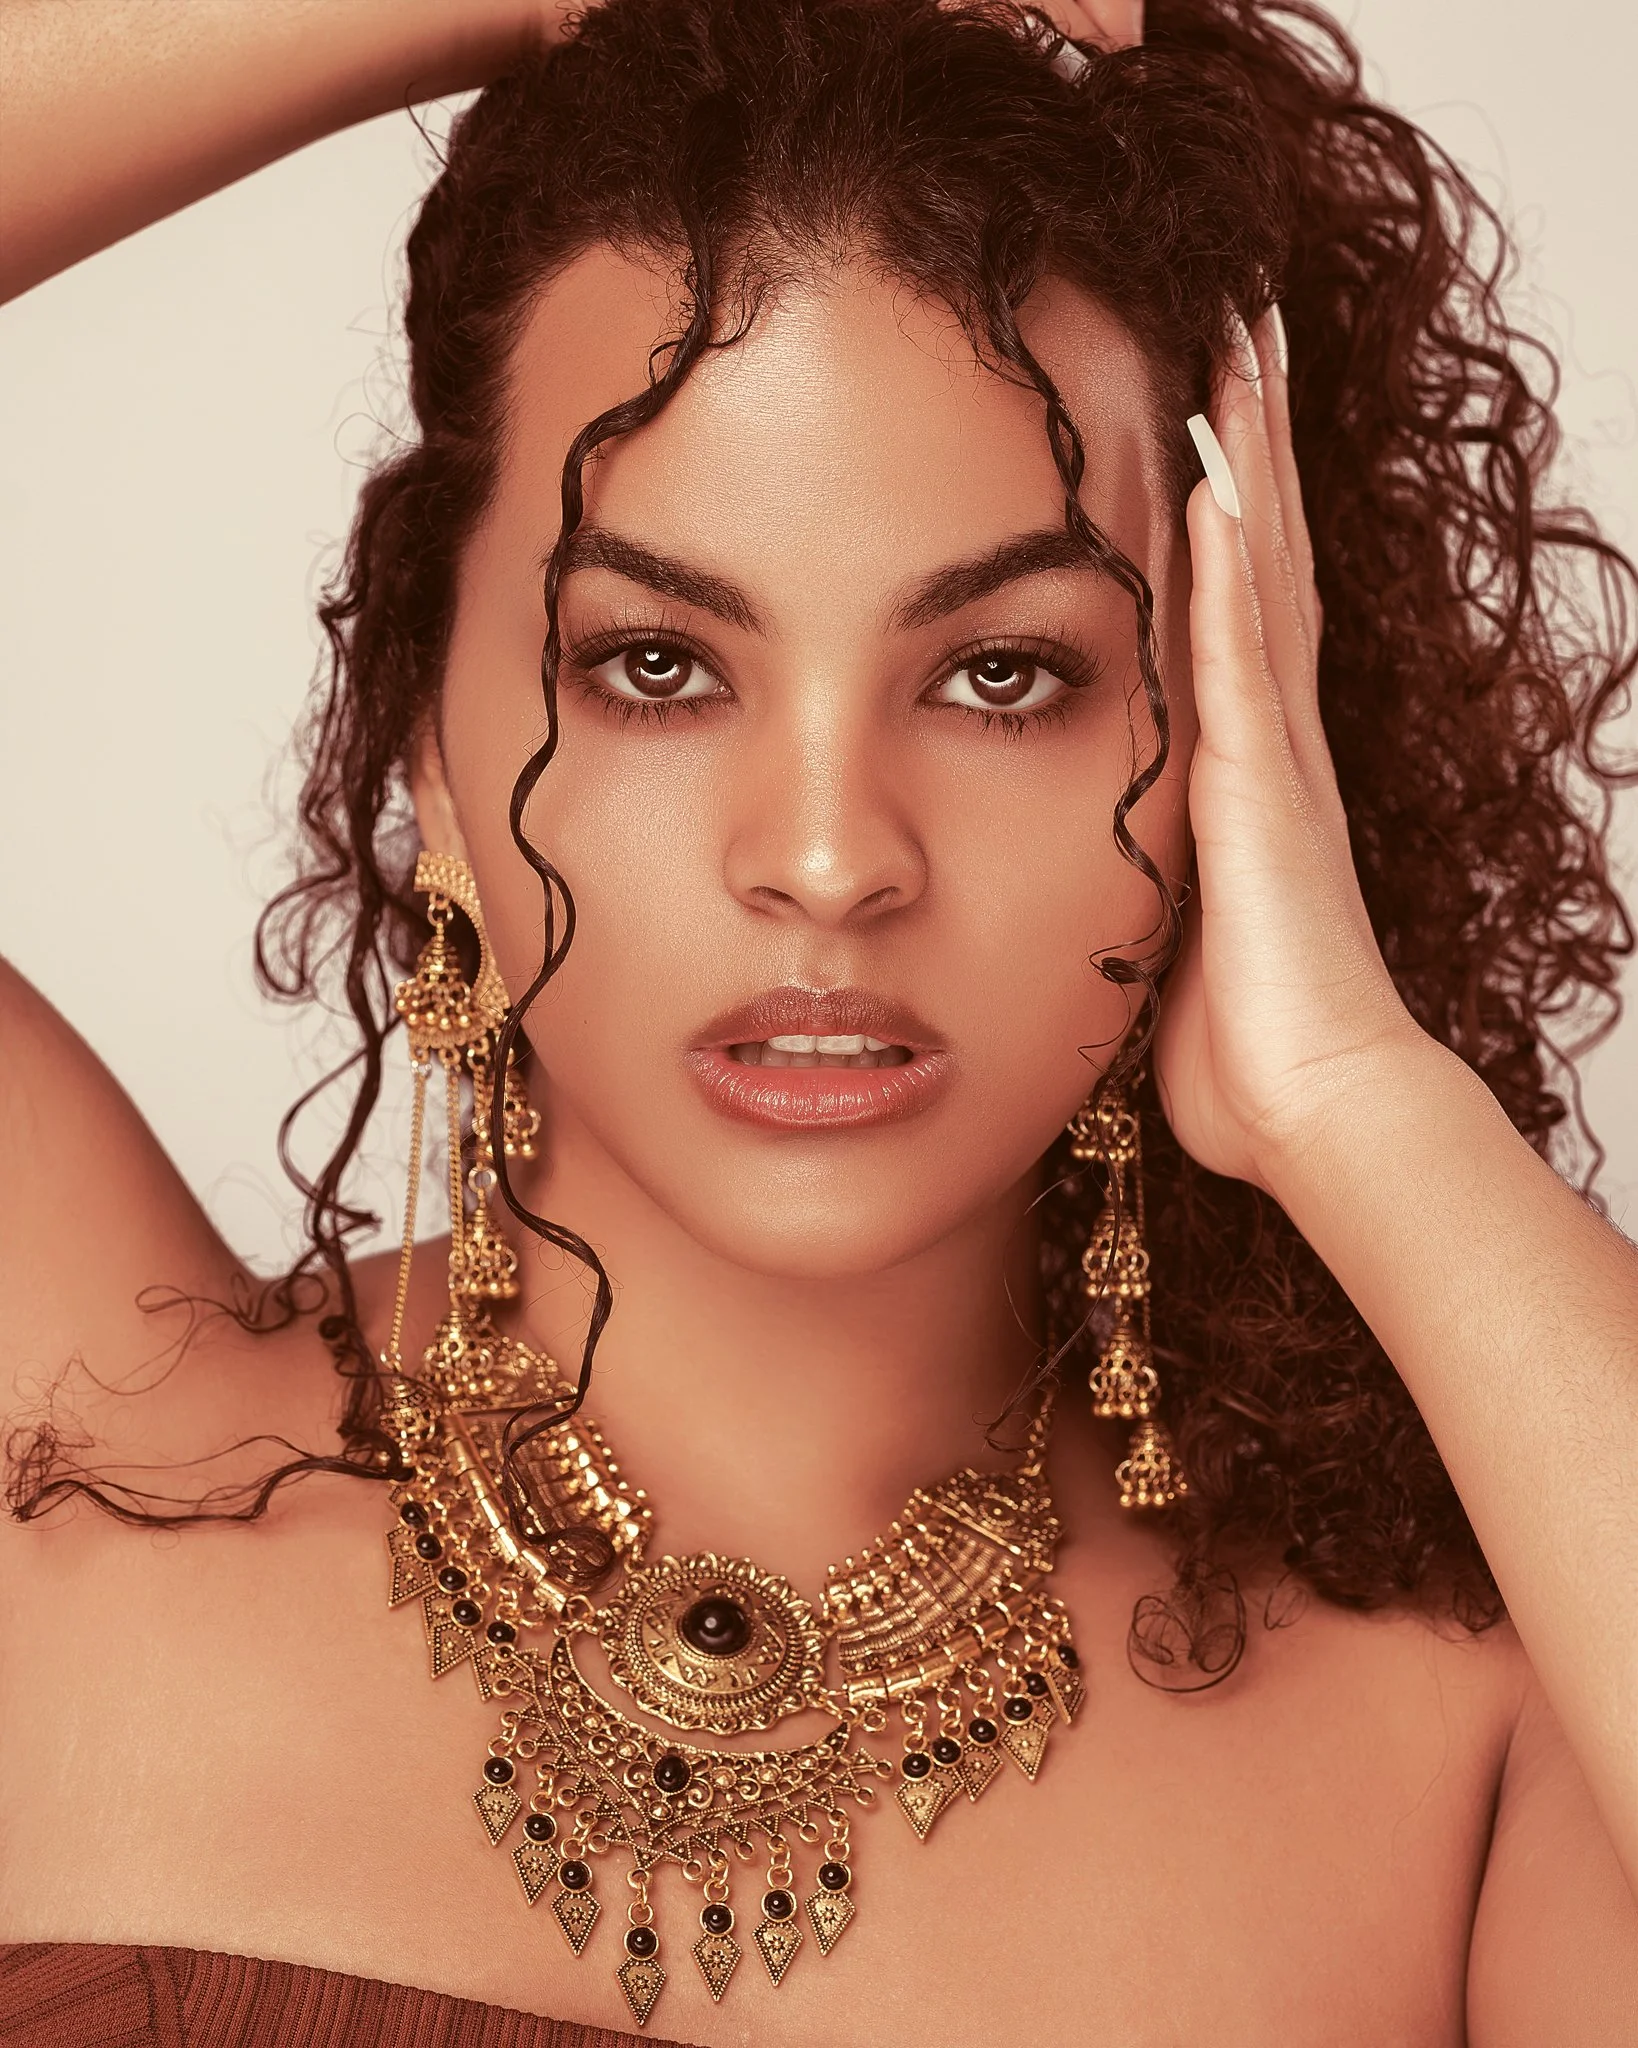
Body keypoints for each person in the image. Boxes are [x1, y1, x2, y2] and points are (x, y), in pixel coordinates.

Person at [2, 0, 1636, 2041]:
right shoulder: (63, 1437)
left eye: (1006, 675)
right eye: (663, 665)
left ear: (1229, 730)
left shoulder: (1479, 1739)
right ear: (427, 728)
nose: (833, 853)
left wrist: (1362, 1103)